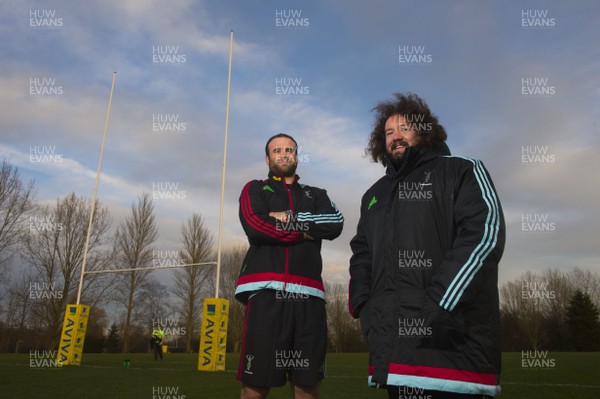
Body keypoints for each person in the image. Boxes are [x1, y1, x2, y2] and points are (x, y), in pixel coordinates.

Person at [349, 93, 505, 399]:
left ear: (425, 129)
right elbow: (361, 253)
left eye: (404, 128)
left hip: (453, 352)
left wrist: (438, 305)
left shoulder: (461, 170)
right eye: (388, 132)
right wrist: (363, 306)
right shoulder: (373, 195)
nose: (396, 137)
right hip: (395, 357)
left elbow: (483, 237)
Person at [236, 133, 344, 399]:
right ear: (267, 157)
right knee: (256, 386)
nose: (284, 154)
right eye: (277, 150)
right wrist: (306, 230)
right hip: (266, 294)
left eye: (290, 150)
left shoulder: (316, 194)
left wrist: (288, 219)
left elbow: (335, 223)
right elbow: (256, 225)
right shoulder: (255, 189)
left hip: (309, 298)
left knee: (307, 385)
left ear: (296, 155)